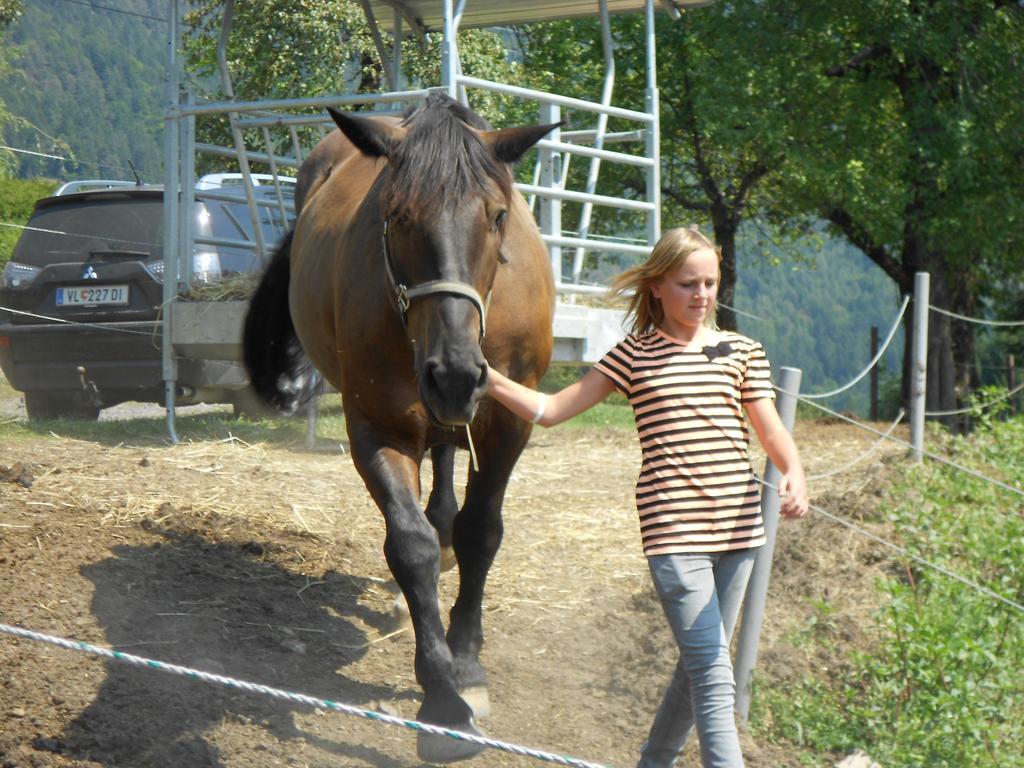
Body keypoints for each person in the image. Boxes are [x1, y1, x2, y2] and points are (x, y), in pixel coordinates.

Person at [485, 226, 808, 768]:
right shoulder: (632, 354)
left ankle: (653, 762)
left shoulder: (743, 351)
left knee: (701, 664)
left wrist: (794, 471)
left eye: (709, 283)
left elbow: (771, 430)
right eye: (687, 284)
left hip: (740, 532)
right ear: (657, 286)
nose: (701, 295)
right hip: (673, 535)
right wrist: (486, 379)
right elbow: (553, 410)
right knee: (711, 670)